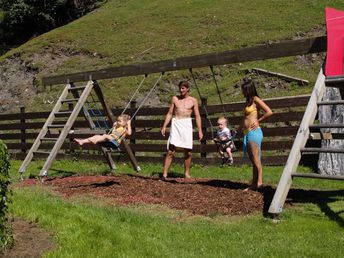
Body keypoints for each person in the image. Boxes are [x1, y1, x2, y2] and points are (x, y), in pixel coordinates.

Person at [161, 80, 203, 179]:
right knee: (171, 150)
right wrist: (164, 126)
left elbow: (197, 116)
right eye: (180, 88)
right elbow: (170, 113)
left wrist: (200, 130)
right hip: (176, 123)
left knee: (188, 151)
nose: (181, 90)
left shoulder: (193, 100)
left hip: (186, 124)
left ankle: (186, 173)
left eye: (183, 88)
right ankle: (164, 173)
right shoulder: (175, 99)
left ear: (187, 89)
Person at [241, 79, 273, 191]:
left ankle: (257, 183)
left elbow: (269, 111)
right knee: (253, 159)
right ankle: (255, 183)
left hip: (254, 132)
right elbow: (246, 118)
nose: (242, 92)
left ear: (249, 90)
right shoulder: (248, 101)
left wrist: (259, 120)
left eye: (244, 90)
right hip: (247, 132)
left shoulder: (256, 100)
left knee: (255, 159)